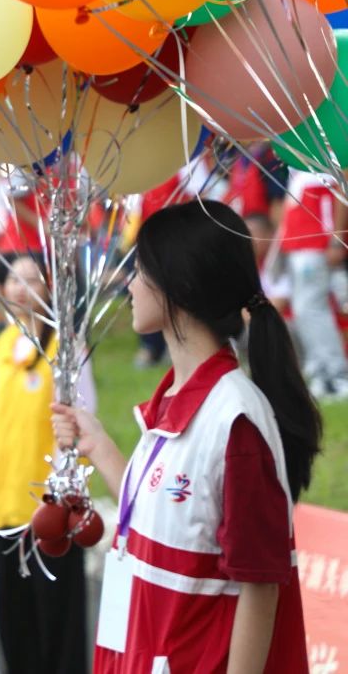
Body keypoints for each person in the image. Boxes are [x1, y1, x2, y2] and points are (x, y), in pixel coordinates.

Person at [52, 200, 319, 674]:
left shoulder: (235, 420)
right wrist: (99, 446)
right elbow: (164, 518)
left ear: (178, 286)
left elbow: (260, 585)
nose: (130, 285)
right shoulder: (174, 400)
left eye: (139, 271)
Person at [0, 254, 92, 674]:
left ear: (51, 288)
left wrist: (58, 494)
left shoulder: (66, 349)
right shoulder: (1, 348)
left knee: (57, 622)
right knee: (15, 622)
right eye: (14, 280)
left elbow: (82, 424)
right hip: (4, 509)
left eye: (32, 280)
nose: (21, 289)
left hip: (49, 511)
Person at [276, 168, 348, 397]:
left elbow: (342, 187)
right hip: (298, 243)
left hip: (315, 241)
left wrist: (336, 238)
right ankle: (321, 373)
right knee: (303, 311)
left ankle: (337, 374)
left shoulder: (326, 153)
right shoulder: (298, 162)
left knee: (312, 310)